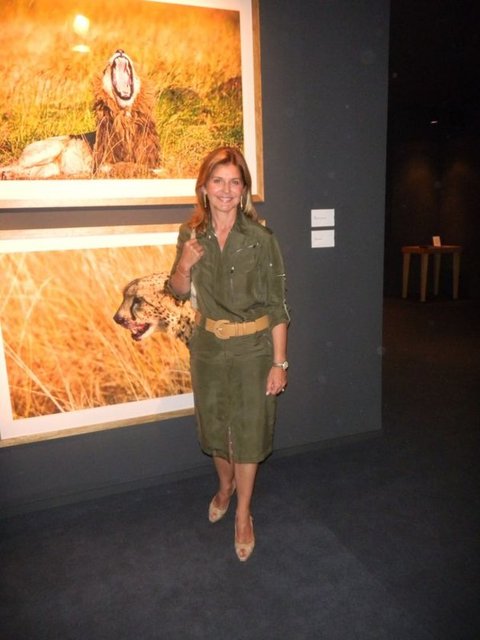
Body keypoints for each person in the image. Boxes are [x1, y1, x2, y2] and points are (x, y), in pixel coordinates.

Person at [168, 147, 290, 561]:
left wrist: (279, 363)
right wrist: (184, 264)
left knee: (250, 432)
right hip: (206, 347)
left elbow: (278, 306)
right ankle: (225, 486)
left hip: (253, 349)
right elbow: (177, 291)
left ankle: (242, 513)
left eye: (234, 182)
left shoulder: (261, 239)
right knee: (217, 428)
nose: (225, 190)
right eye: (217, 181)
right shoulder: (190, 234)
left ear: (244, 189)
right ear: (204, 187)